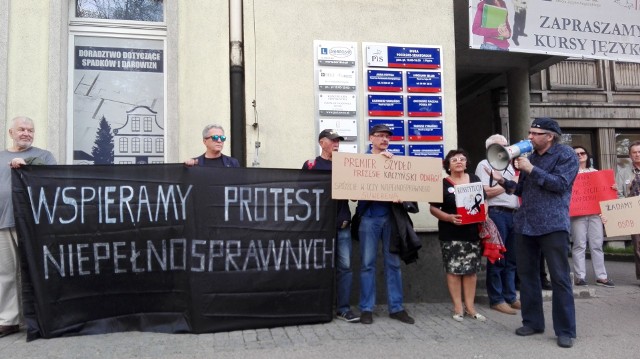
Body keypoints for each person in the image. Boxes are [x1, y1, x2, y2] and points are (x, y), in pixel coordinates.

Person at [488, 117, 578, 348]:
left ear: (549, 136)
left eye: (535, 133)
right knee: (527, 276)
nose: (529, 137)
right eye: (529, 132)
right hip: (526, 224)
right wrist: (504, 182)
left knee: (559, 278)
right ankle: (532, 322)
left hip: (552, 225)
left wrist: (531, 168)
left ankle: (565, 330)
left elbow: (560, 184)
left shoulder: (565, 155)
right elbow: (523, 189)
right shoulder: (532, 158)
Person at [0, 116, 56, 338]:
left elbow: (52, 179)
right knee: (5, 274)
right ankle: (8, 320)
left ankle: (42, 318)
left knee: (37, 272)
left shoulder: (42, 156)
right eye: (21, 129)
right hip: (4, 224)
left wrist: (29, 165)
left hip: (34, 225)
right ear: (11, 133)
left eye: (30, 130)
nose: (26, 133)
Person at [356, 124, 414, 325]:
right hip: (369, 218)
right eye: (379, 136)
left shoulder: (395, 162)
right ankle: (366, 309)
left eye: (387, 136)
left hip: (391, 219)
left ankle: (396, 308)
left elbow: (407, 187)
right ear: (371, 138)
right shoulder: (360, 162)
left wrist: (401, 196)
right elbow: (353, 191)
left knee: (393, 264)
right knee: (366, 264)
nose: (384, 139)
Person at [302, 129, 359, 323]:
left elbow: (354, 195)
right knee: (318, 267)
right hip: (318, 227)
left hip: (341, 225)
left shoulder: (346, 164)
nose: (336, 143)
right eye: (333, 140)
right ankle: (318, 307)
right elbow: (303, 195)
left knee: (345, 267)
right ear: (322, 142)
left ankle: (343, 308)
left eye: (338, 141)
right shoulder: (311, 165)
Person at [430, 149, 486, 322]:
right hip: (450, 233)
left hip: (471, 233)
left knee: (471, 272)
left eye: (462, 159)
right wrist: (448, 217)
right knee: (453, 271)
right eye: (454, 160)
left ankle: (470, 307)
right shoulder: (443, 184)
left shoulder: (475, 180)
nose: (459, 162)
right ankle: (458, 307)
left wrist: (484, 216)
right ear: (448, 165)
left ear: (467, 163)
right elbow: (433, 208)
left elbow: (484, 202)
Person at [475, 135, 520, 315]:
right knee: (497, 258)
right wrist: (509, 185)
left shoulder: (512, 166)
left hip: (514, 214)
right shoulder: (484, 164)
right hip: (497, 213)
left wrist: (511, 183)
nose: (505, 148)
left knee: (511, 259)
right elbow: (483, 191)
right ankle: (497, 298)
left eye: (506, 145)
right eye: (500, 146)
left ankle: (510, 296)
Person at [570, 146, 614, 288]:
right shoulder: (569, 173)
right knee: (579, 245)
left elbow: (603, 193)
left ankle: (601, 277)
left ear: (587, 156)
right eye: (576, 154)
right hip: (577, 215)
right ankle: (580, 277)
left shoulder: (596, 173)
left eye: (582, 153)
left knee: (597, 245)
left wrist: (612, 188)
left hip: (595, 214)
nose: (580, 156)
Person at [615, 140, 640, 283]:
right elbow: (618, 193)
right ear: (630, 155)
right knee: (637, 246)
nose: (637, 154)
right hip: (633, 213)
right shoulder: (623, 173)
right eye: (634, 152)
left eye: (639, 152)